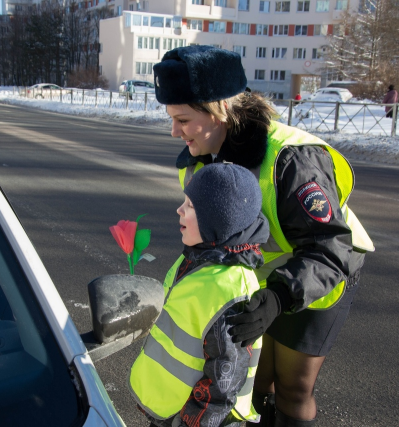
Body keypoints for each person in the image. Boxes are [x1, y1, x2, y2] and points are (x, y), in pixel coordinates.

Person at [152, 45, 374, 426]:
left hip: (319, 270)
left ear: (219, 110)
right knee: (250, 384)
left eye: (183, 119)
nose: (175, 132)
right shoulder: (201, 159)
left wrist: (278, 298)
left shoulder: (291, 159)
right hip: (258, 275)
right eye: (172, 118)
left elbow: (331, 247)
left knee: (291, 388)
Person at [129, 162, 270, 427]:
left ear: (219, 219)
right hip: (172, 406)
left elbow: (224, 379)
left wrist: (191, 421)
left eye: (191, 206)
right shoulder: (198, 257)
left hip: (196, 418)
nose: (179, 210)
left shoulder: (230, 289)